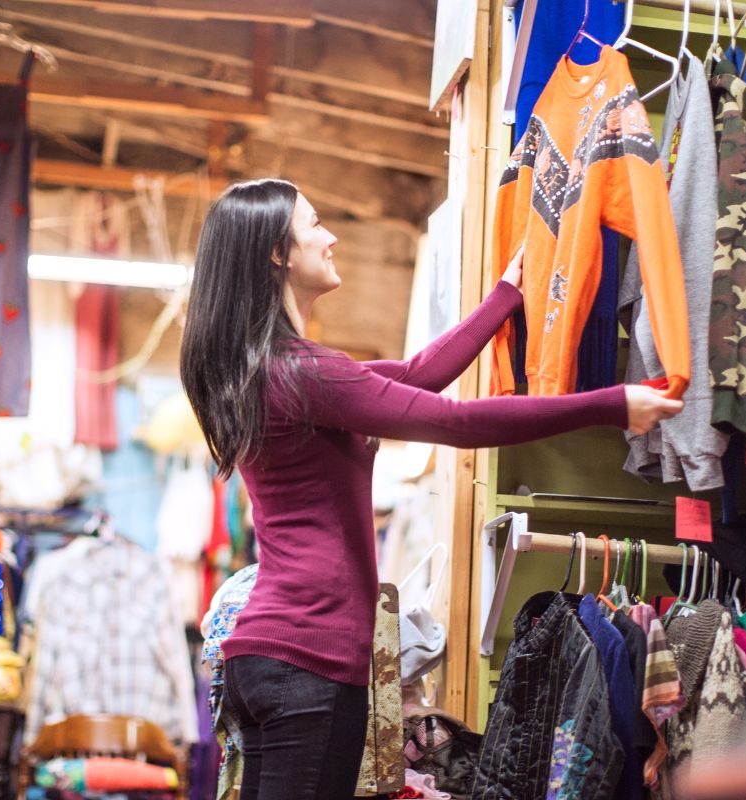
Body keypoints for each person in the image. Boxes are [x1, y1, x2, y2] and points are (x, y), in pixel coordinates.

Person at [179, 178, 683, 800]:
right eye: (314, 225)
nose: (330, 236)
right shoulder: (304, 374)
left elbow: (422, 375)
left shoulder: (281, 371)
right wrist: (613, 405)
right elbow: (458, 424)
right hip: (306, 661)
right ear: (278, 253)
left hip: (273, 657)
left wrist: (506, 294)